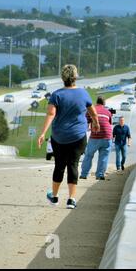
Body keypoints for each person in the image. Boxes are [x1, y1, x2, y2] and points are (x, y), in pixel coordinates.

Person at [38, 64, 99, 209]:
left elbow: (51, 114)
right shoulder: (83, 94)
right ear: (76, 77)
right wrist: (96, 123)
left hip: (59, 137)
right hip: (78, 137)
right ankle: (71, 199)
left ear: (62, 78)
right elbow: (93, 112)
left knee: (59, 165)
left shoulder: (57, 95)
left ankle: (54, 197)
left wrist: (42, 133)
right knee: (73, 164)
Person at [80, 96, 113, 181]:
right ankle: (100, 175)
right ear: (104, 103)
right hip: (107, 136)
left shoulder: (91, 110)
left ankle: (84, 174)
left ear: (96, 102)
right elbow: (109, 124)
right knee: (104, 156)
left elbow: (85, 122)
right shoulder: (108, 112)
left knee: (88, 155)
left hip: (95, 135)